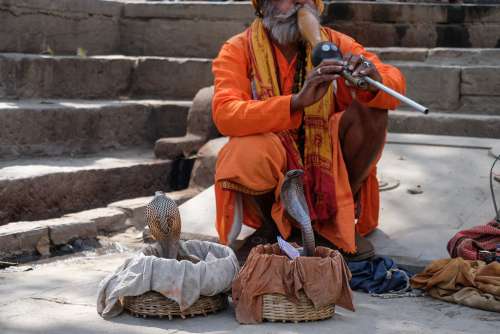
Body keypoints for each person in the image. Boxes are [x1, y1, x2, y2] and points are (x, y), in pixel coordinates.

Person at [211, 0, 405, 261]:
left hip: (329, 154)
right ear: (261, 6)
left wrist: (372, 80)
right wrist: (295, 103)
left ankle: (332, 224)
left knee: (372, 109)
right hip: (274, 156)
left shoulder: (334, 43)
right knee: (244, 152)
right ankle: (273, 228)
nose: (296, 4)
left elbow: (393, 83)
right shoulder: (238, 48)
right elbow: (225, 114)